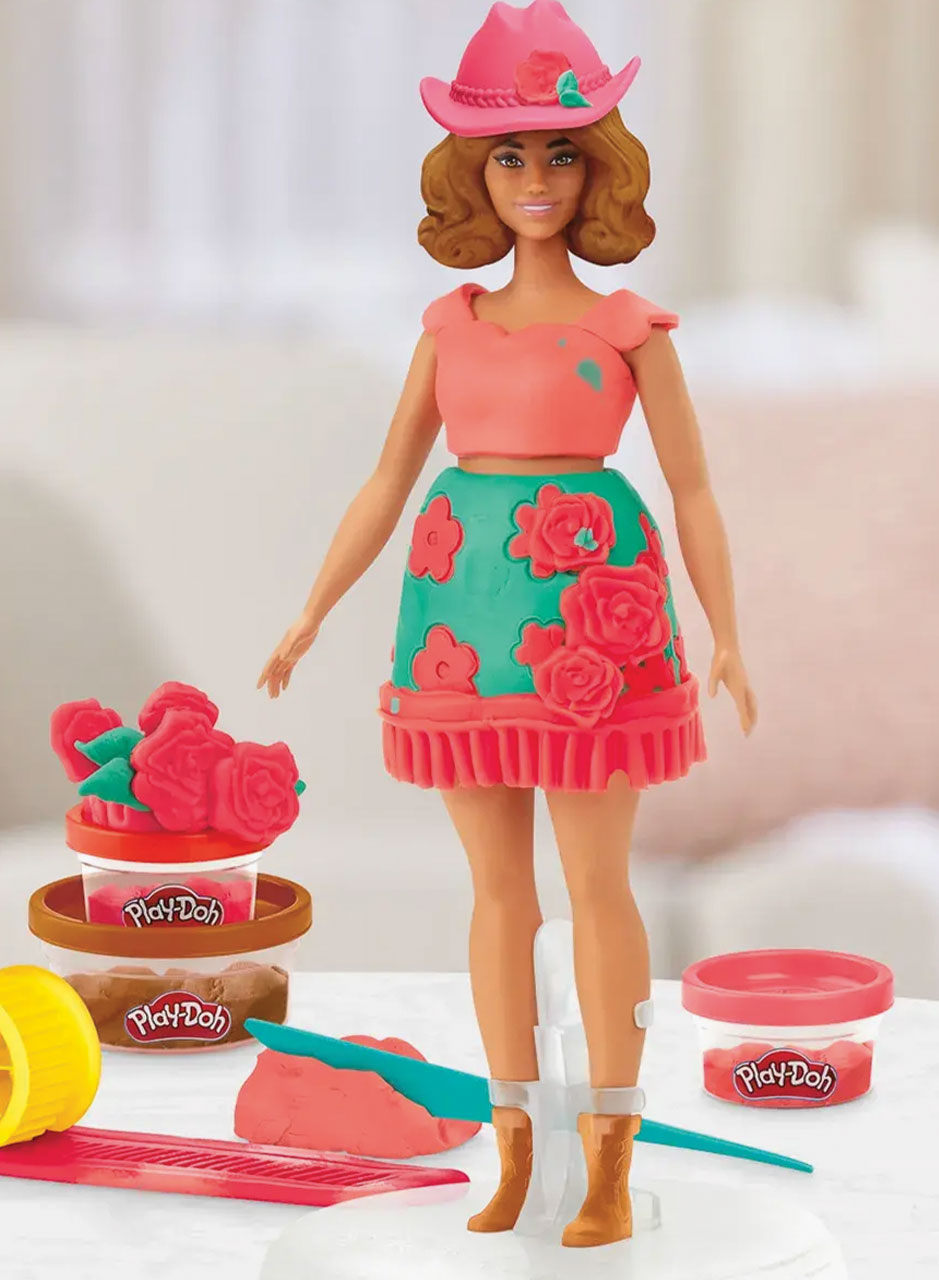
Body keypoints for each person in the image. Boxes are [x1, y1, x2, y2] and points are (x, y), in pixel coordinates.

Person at [259, 0, 756, 1250]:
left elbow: (694, 486)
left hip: (599, 618)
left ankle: (610, 1156)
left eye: (562, 152)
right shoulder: (449, 328)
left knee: (598, 887)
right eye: (511, 155)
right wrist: (312, 608)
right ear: (473, 175)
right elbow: (387, 478)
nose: (537, 179)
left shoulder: (629, 327)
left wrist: (728, 630)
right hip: (459, 625)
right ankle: (518, 1143)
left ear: (600, 169)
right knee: (496, 893)